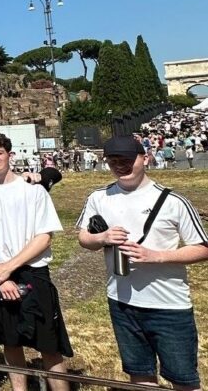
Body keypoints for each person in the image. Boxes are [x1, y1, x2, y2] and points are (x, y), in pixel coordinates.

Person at [75, 135, 208, 391]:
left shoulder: (173, 202)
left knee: (184, 380)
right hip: (121, 302)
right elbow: (83, 238)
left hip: (168, 306)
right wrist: (101, 238)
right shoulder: (98, 198)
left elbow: (203, 248)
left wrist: (157, 256)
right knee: (140, 377)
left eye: (126, 159)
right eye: (113, 160)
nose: (120, 165)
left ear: (145, 158)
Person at [0, 133, 72, 391]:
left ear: (10, 155)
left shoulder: (33, 191)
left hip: (32, 272)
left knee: (49, 344)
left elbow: (44, 238)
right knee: (11, 342)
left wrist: (8, 269)